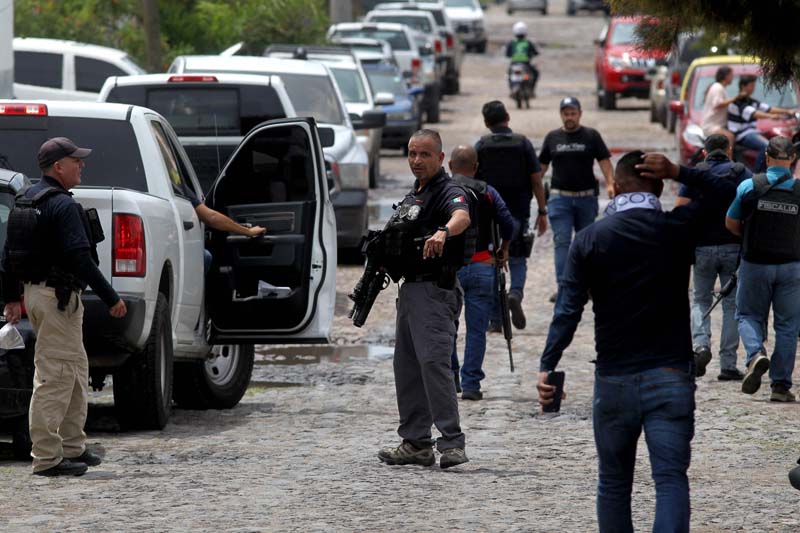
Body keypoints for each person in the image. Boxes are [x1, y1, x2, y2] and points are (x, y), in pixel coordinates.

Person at [537, 150, 739, 533]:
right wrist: (682, 171)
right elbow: (733, 193)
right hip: (670, 375)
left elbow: (567, 310)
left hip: (613, 380)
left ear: (614, 188)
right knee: (669, 480)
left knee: (614, 485)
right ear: (660, 185)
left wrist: (548, 364)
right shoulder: (675, 227)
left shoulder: (590, 240)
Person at [1, 138, 128, 477]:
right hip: (57, 299)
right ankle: (46, 458)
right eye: (76, 161)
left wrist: (13, 297)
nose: (81, 166)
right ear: (59, 167)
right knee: (55, 376)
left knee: (73, 370)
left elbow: (8, 256)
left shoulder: (25, 200)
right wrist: (111, 298)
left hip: (38, 296)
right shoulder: (62, 206)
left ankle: (72, 446)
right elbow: (79, 259)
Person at [378, 129, 471, 469]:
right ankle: (416, 443)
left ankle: (452, 443)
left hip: (435, 290)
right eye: (412, 154)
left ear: (441, 158)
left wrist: (445, 231)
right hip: (410, 291)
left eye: (425, 155)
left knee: (434, 364)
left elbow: (461, 216)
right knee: (407, 368)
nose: (417, 161)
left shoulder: (449, 191)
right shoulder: (412, 197)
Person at [725, 136, 800, 402]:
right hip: (791, 267)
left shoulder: (749, 186)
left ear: (766, 157)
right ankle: (780, 386)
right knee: (788, 326)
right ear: (792, 159)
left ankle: (756, 354)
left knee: (747, 316)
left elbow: (731, 222)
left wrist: (746, 236)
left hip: (755, 263)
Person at [675, 134, 751, 380]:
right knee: (732, 306)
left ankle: (701, 346)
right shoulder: (741, 172)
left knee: (700, 300)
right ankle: (728, 364)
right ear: (728, 150)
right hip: (733, 246)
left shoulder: (696, 173)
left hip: (702, 248)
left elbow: (680, 207)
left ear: (705, 151)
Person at [448, 145, 515, 401]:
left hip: (450, 269)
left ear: (450, 166)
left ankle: (451, 376)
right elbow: (508, 223)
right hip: (482, 265)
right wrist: (503, 249)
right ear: (475, 168)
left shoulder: (443, 189)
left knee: (449, 327)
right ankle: (472, 384)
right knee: (477, 329)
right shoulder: (488, 192)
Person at [475, 100, 547, 331]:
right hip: (518, 212)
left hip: (490, 214)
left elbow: (473, 181)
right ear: (508, 116)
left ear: (487, 122)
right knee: (517, 258)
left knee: (494, 261)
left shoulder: (482, 146)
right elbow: (537, 179)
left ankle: (496, 319)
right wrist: (542, 210)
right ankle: (515, 293)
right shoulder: (522, 143)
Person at [538, 96, 613, 302]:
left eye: (573, 113)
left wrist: (610, 183)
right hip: (559, 199)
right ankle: (565, 286)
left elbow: (604, 161)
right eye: (565, 113)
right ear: (561, 115)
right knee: (562, 241)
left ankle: (586, 285)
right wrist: (532, 188)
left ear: (580, 114)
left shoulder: (591, 136)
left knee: (586, 244)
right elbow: (541, 166)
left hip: (586, 198)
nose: (569, 117)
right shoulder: (552, 137)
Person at [728, 74, 794, 172]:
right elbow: (754, 113)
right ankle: (757, 174)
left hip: (752, 132)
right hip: (742, 134)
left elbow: (768, 108)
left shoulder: (751, 101)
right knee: (767, 146)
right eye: (751, 86)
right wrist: (771, 117)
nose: (753, 88)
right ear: (743, 86)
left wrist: (787, 111)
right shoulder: (738, 102)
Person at [700, 66, 739, 145]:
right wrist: (735, 99)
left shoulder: (720, 88)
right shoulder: (718, 87)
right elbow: (718, 104)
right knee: (729, 137)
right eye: (731, 75)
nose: (732, 77)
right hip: (711, 126)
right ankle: (727, 157)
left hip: (717, 126)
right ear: (726, 76)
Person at [505, 21, 540, 97]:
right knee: (536, 73)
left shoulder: (512, 43)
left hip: (514, 64)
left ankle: (512, 89)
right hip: (526, 64)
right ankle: (532, 90)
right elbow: (535, 52)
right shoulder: (528, 42)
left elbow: (507, 54)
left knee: (509, 76)